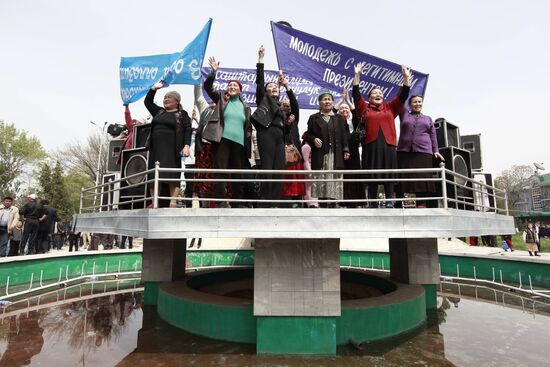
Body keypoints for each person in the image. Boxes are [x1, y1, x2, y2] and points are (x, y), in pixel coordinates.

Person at [352, 62, 413, 207]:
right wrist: (357, 75)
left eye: (380, 93)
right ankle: (372, 202)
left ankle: (389, 202)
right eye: (374, 93)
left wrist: (405, 79)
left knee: (389, 175)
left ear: (383, 96)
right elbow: (355, 94)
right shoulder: (364, 107)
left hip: (389, 146)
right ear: (370, 97)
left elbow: (403, 95)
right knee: (371, 174)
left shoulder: (391, 107)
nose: (378, 94)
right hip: (370, 146)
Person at [203, 56, 252, 208]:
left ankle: (237, 202)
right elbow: (208, 87)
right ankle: (221, 201)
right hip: (222, 139)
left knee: (238, 173)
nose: (231, 87)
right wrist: (213, 72)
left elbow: (248, 128)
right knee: (221, 171)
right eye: (229, 85)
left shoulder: (246, 107)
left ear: (240, 90)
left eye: (234, 85)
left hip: (239, 143)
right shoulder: (221, 100)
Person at [253, 46, 297, 207]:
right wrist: (261, 61)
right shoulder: (263, 100)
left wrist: (286, 86)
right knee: (267, 167)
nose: (273, 88)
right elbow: (259, 82)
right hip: (266, 134)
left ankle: (275, 201)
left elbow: (294, 106)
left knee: (279, 169)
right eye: (270, 87)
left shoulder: (281, 108)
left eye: (275, 87)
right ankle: (265, 200)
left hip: (280, 137)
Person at [144, 81, 192, 208]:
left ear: (177, 101)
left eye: (169, 97)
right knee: (154, 174)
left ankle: (173, 202)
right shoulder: (159, 112)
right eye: (165, 97)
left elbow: (188, 130)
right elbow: (147, 102)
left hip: (172, 148)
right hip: (156, 148)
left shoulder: (182, 114)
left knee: (172, 174)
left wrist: (187, 146)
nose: (166, 99)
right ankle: (154, 202)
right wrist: (153, 89)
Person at [395, 95, 444, 208]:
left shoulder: (428, 119)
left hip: (424, 152)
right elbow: (400, 98)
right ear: (410, 104)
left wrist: (435, 150)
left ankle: (421, 204)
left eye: (419, 102)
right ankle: (398, 203)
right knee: (402, 177)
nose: (418, 104)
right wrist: (406, 82)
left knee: (422, 177)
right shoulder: (404, 114)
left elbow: (433, 135)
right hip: (404, 151)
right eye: (415, 102)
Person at [305, 92, 350, 207]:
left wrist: (346, 149)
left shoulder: (338, 118)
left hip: (336, 154)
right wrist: (314, 139)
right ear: (320, 103)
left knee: (335, 176)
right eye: (324, 100)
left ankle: (334, 202)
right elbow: (307, 134)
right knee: (322, 177)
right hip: (321, 154)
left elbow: (344, 136)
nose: (327, 102)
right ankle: (323, 203)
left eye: (329, 100)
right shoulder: (314, 118)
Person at [335, 88, 365, 208]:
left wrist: (348, 101)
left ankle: (355, 201)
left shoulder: (353, 124)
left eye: (345, 108)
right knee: (342, 177)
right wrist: (341, 100)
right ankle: (342, 201)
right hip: (340, 154)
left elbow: (357, 112)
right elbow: (332, 110)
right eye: (342, 109)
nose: (344, 110)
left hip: (354, 154)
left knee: (354, 176)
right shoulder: (336, 122)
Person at [301, 135, 318, 208]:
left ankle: (314, 203)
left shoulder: (308, 146)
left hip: (311, 167)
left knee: (312, 186)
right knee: (309, 186)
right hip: (308, 168)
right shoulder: (306, 147)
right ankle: (311, 203)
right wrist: (309, 170)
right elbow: (306, 160)